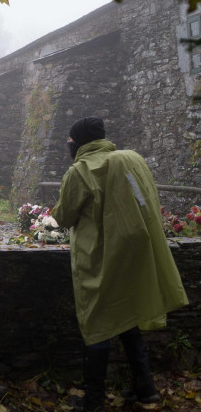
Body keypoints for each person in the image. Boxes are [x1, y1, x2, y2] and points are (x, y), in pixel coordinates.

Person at [52, 116, 189, 411]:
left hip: (98, 256)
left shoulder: (80, 170)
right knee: (128, 315)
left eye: (70, 142)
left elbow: (64, 217)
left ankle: (94, 401)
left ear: (77, 143)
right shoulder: (131, 159)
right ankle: (146, 389)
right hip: (135, 251)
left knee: (97, 321)